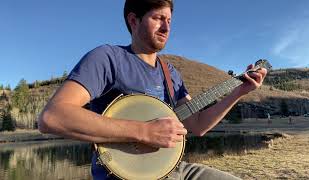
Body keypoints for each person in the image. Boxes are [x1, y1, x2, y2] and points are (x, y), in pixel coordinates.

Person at [38, 0, 267, 179]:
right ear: (134, 20)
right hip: (125, 175)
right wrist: (144, 132)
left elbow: (196, 125)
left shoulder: (171, 74)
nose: (166, 27)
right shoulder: (107, 58)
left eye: (169, 20)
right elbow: (53, 117)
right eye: (158, 18)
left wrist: (239, 91)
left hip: (176, 171)